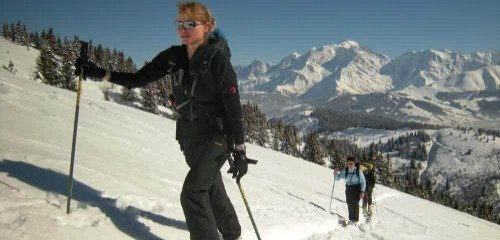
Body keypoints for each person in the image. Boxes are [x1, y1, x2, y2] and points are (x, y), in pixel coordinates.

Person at [74, 2, 249, 240]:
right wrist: (100, 73)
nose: (183, 29)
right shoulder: (173, 57)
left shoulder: (218, 61)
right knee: (209, 185)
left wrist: (239, 149)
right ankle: (232, 232)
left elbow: (233, 106)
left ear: (206, 27)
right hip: (189, 137)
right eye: (179, 24)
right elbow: (137, 79)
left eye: (190, 23)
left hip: (216, 137)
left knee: (193, 193)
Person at [334, 156, 366, 225]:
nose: (350, 165)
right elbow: (337, 178)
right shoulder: (345, 170)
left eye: (351, 164)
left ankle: (355, 220)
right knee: (349, 203)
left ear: (354, 163)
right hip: (348, 188)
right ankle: (351, 219)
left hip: (357, 188)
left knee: (354, 203)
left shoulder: (358, 171)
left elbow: (363, 182)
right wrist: (336, 173)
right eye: (348, 163)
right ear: (347, 163)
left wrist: (362, 191)